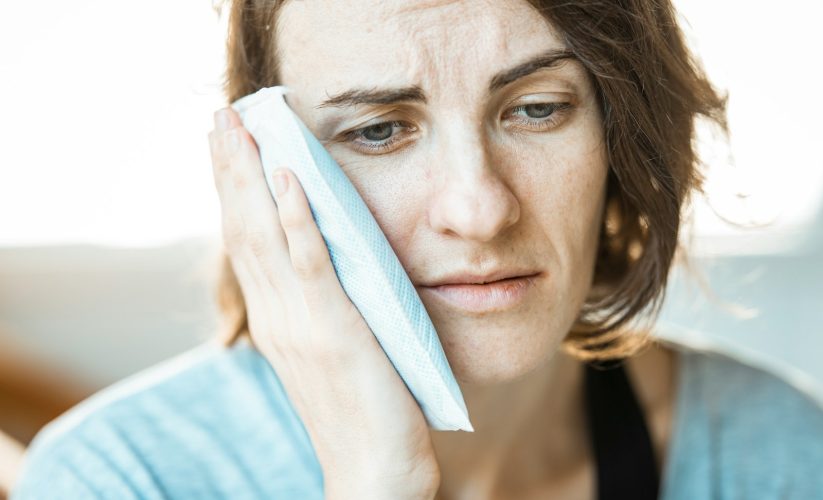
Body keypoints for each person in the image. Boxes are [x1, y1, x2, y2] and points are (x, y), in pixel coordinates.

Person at [10, 1, 823, 499]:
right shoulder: (115, 480)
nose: (478, 210)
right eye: (378, 130)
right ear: (266, 166)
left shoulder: (775, 451)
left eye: (537, 109)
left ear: (621, 133)